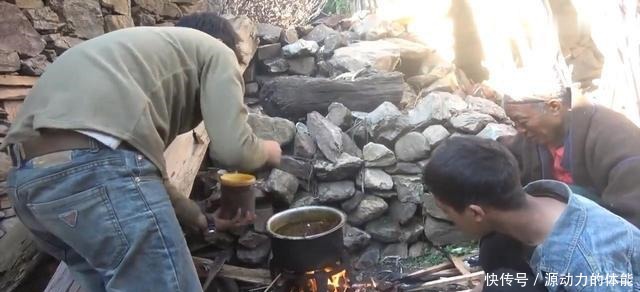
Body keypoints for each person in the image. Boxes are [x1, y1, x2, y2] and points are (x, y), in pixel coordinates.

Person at [2, 13, 281, 292]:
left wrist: (202, 220)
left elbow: (141, 173)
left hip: (28, 185)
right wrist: (268, 151)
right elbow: (235, 150)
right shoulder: (216, 50)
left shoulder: (125, 62)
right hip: (96, 171)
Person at [423, 136, 640, 291]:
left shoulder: (589, 268)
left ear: (475, 213)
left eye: (447, 211)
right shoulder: (540, 200)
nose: (450, 220)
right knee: (499, 266)